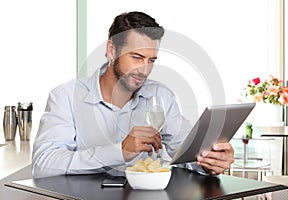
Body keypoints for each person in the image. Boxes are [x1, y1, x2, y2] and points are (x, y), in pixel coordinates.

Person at [32, 11, 234, 178]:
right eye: (137, 57)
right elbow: (44, 164)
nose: (144, 70)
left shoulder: (161, 96)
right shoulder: (66, 97)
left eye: (151, 60)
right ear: (112, 50)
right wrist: (120, 151)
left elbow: (185, 154)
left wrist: (209, 161)